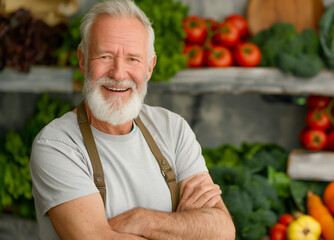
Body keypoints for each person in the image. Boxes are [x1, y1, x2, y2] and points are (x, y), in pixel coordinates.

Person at [29, 0, 235, 239]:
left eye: (133, 59)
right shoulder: (57, 145)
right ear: (83, 60)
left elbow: (222, 231)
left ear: (149, 67)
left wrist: (144, 221)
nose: (118, 73)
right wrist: (183, 226)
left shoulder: (173, 128)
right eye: (105, 56)